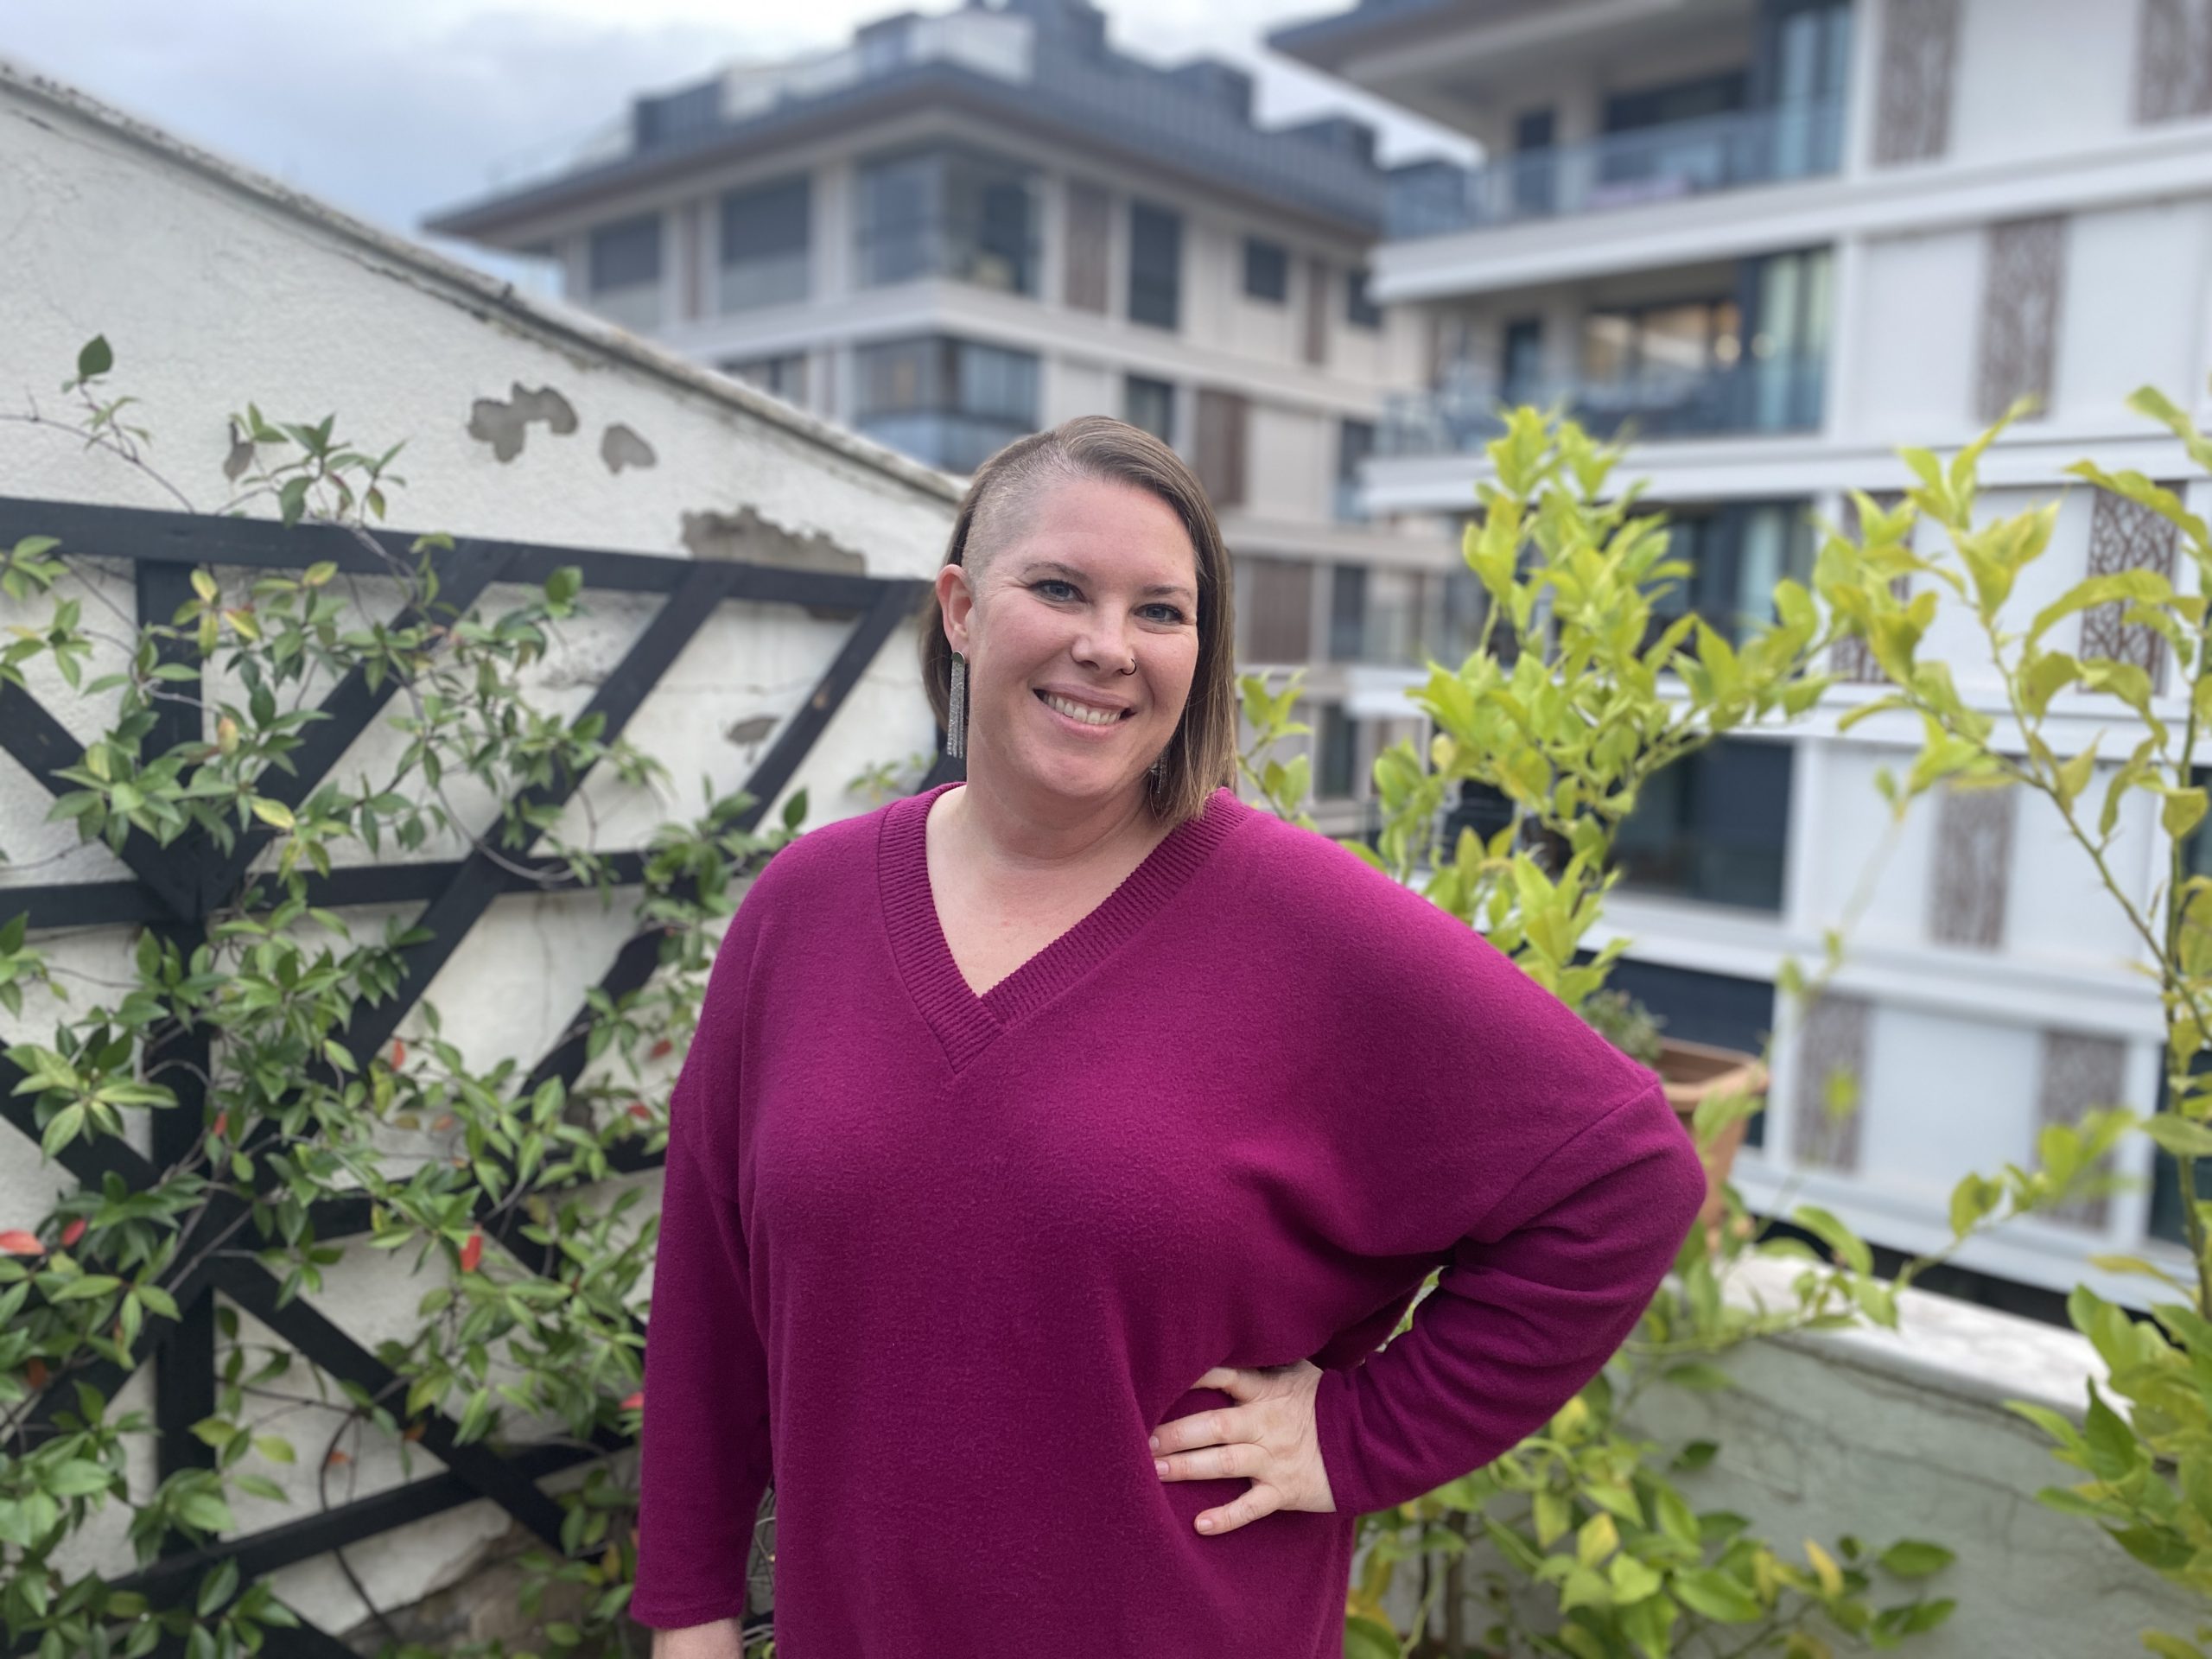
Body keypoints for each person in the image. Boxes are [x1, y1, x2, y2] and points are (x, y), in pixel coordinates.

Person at [630, 415, 1707, 1655]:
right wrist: (692, 1616)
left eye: (1161, 610)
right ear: (962, 610)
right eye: (1059, 588)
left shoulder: (1306, 925)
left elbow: (1626, 1177)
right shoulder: (802, 913)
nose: (1107, 647)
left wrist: (1357, 1434)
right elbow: (709, 1295)